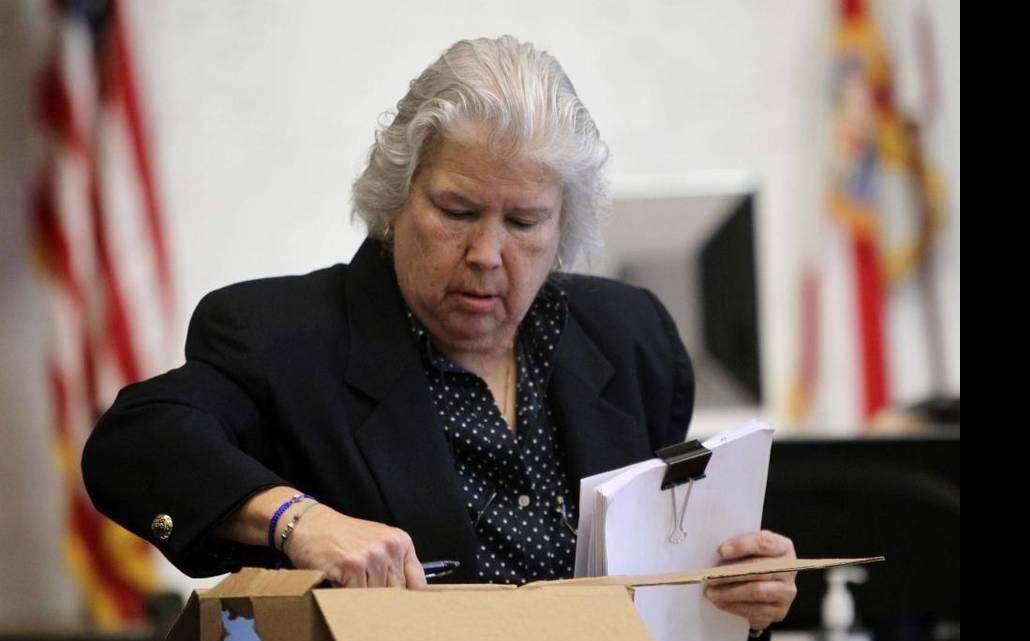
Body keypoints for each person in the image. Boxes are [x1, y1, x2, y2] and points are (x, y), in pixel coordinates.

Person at [82, 35, 796, 634]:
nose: (487, 253)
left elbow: (662, 580)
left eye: (523, 223)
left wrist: (735, 603)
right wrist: (300, 520)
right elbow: (136, 444)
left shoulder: (630, 337)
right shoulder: (280, 336)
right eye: (456, 211)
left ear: (564, 227)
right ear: (397, 198)